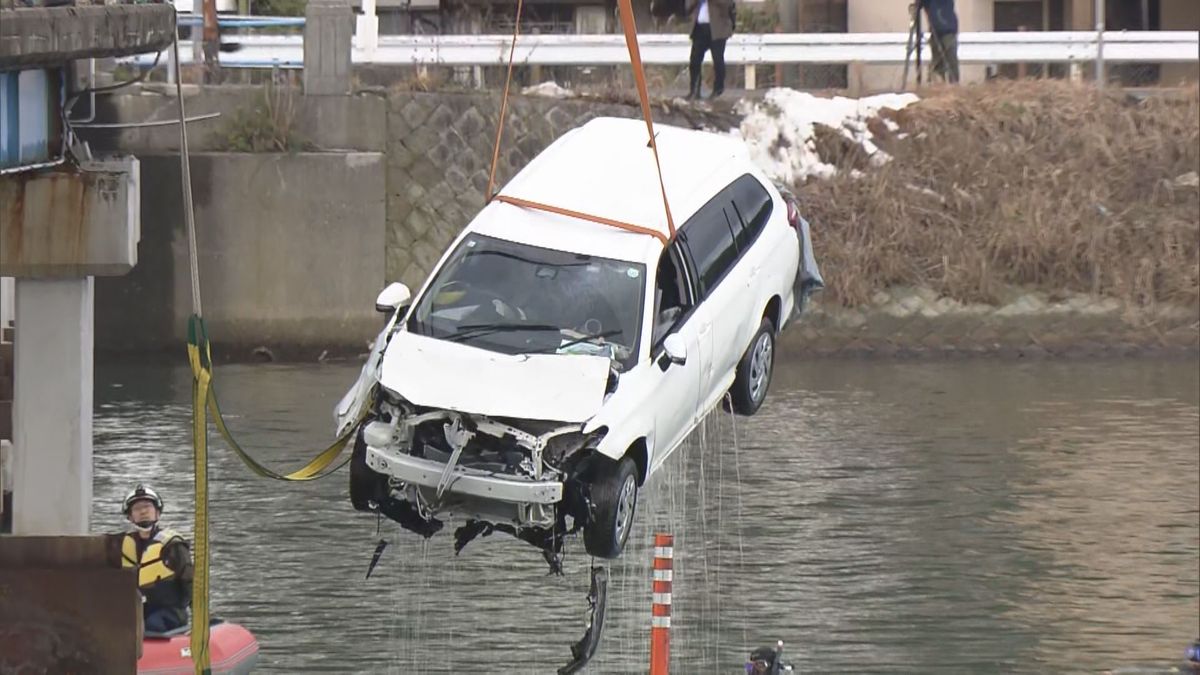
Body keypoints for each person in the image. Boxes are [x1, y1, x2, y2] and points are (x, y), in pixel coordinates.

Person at [119, 484, 193, 633]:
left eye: (147, 506)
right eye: (137, 508)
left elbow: (191, 583)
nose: (143, 511)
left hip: (170, 612)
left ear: (158, 513)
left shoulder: (173, 545)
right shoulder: (123, 546)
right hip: (138, 611)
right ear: (130, 516)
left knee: (151, 625)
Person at [684, 0, 735, 99]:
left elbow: (728, 4)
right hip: (699, 28)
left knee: (717, 60)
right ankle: (694, 91)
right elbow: (687, 8)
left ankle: (718, 90)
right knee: (695, 60)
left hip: (717, 29)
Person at [918, 0, 960, 84]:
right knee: (938, 63)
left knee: (950, 60)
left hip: (947, 29)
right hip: (936, 30)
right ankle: (939, 85)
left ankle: (953, 86)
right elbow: (921, 5)